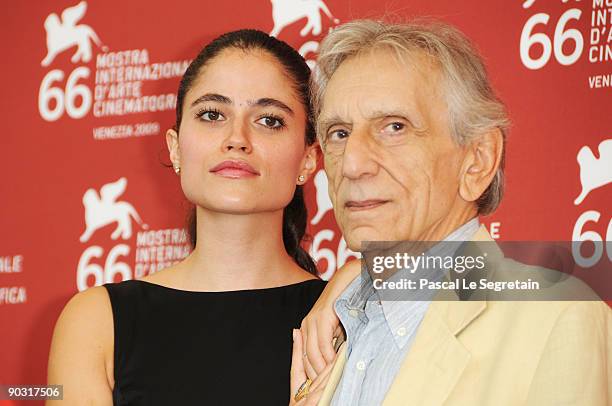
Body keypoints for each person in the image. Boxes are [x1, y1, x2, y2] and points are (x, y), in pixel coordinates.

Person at [290, 20, 612, 405]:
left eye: (394, 127)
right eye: (339, 133)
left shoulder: (558, 320)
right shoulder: (332, 329)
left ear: (477, 161)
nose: (352, 163)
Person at [47, 29, 327, 405]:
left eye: (269, 120)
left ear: (308, 159)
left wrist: (358, 278)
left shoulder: (343, 317)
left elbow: (432, 270)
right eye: (212, 114)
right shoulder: (97, 321)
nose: (237, 138)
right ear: (176, 149)